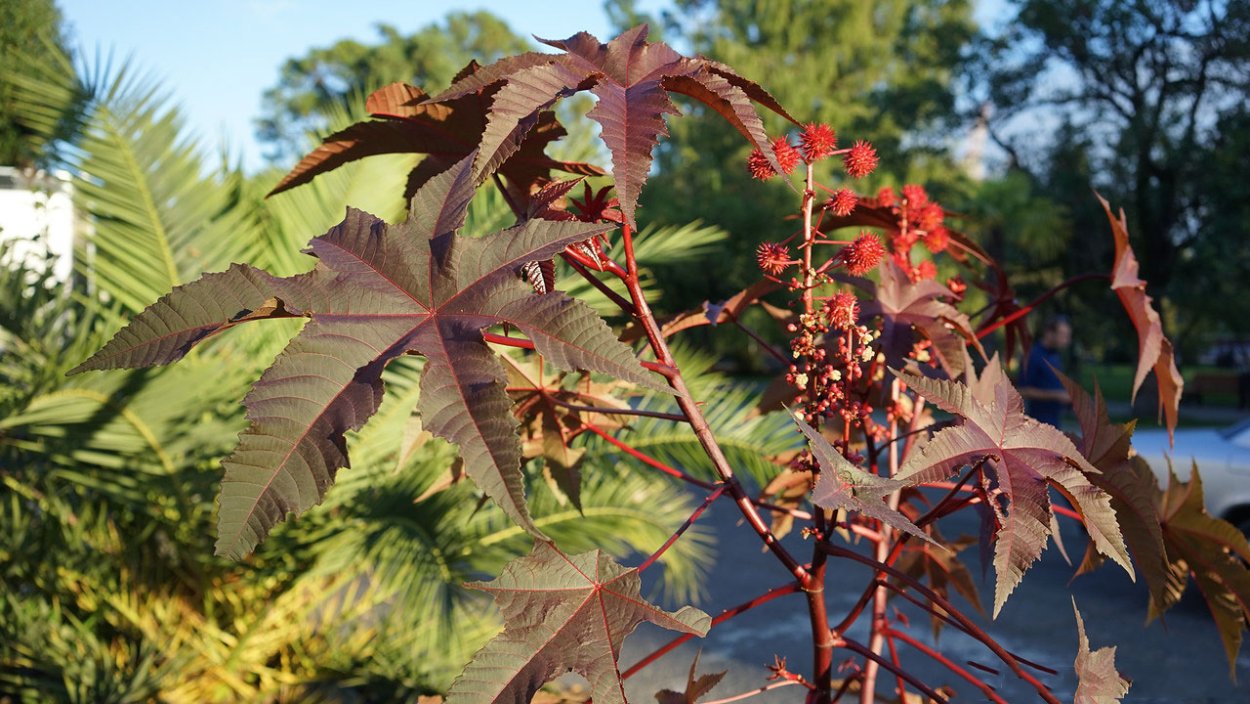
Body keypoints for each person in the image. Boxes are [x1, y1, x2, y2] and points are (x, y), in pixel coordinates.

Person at [1018, 315, 1072, 427]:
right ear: (1049, 333)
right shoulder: (1033, 356)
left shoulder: (1055, 355)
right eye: (1063, 335)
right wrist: (1056, 395)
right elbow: (1022, 390)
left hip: (1054, 422)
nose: (1066, 340)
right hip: (1037, 424)